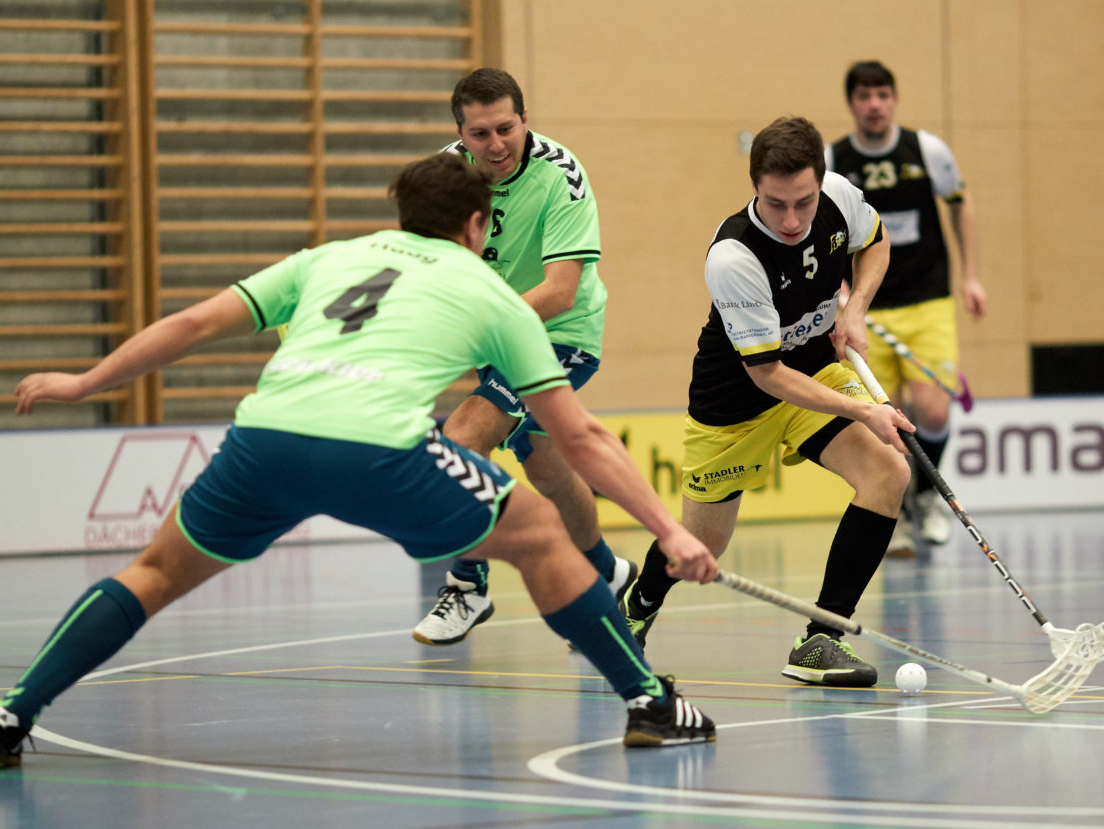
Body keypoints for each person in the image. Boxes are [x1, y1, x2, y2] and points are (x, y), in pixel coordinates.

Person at [0, 154, 719, 770]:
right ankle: (648, 700)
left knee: (153, 572)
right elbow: (581, 438)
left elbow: (194, 322)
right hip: (380, 448)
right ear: (476, 224)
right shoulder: (492, 293)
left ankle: (8, 714)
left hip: (267, 440)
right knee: (543, 536)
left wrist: (86, 381)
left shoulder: (328, 258)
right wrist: (668, 531)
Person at [618, 116, 914, 687]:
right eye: (776, 204)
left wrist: (853, 314)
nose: (792, 219)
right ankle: (635, 608)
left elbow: (875, 244)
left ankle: (821, 638)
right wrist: (865, 411)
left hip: (813, 370)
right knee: (703, 542)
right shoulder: (734, 258)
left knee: (887, 473)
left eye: (803, 202)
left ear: (820, 183)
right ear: (754, 185)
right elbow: (767, 374)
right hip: (737, 399)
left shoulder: (839, 197)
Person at [412, 68, 635, 646]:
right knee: (545, 465)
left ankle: (467, 584)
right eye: (480, 134)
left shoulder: (562, 175)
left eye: (506, 128)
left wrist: (475, 327)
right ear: (460, 132)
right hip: (499, 334)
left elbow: (561, 290)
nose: (496, 145)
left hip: (562, 334)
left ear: (525, 118)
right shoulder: (447, 175)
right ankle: (607, 572)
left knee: (461, 437)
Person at [826, 60, 987, 555]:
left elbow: (961, 205)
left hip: (929, 301)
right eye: (864, 96)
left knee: (934, 411)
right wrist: (840, 292)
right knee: (881, 417)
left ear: (893, 99)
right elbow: (822, 229)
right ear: (851, 103)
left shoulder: (928, 151)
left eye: (882, 95)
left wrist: (970, 275)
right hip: (866, 309)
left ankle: (925, 498)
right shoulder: (834, 159)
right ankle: (893, 509)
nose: (874, 104)